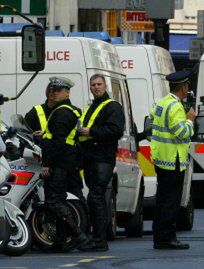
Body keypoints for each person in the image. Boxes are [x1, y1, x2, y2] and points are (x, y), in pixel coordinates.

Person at [41, 76, 89, 252]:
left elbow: (58, 142)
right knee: (64, 201)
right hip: (69, 163)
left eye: (58, 90)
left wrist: (47, 165)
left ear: (67, 92)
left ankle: (79, 236)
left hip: (59, 164)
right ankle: (61, 242)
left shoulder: (61, 112)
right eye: (52, 90)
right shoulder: (72, 110)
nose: (53, 93)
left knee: (54, 202)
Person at [77, 74, 125, 251]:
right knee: (93, 197)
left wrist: (91, 131)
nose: (96, 87)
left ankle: (99, 240)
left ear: (105, 87)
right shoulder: (91, 107)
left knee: (97, 196)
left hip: (102, 158)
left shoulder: (112, 106)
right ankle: (95, 238)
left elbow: (116, 130)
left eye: (99, 84)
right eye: (93, 85)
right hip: (90, 158)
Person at [150, 70, 196, 250]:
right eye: (187, 86)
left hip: (161, 158)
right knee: (171, 201)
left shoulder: (161, 103)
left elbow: (153, 121)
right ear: (183, 88)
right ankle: (168, 237)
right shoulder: (176, 107)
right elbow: (181, 133)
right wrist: (190, 120)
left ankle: (158, 236)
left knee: (162, 199)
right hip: (173, 160)